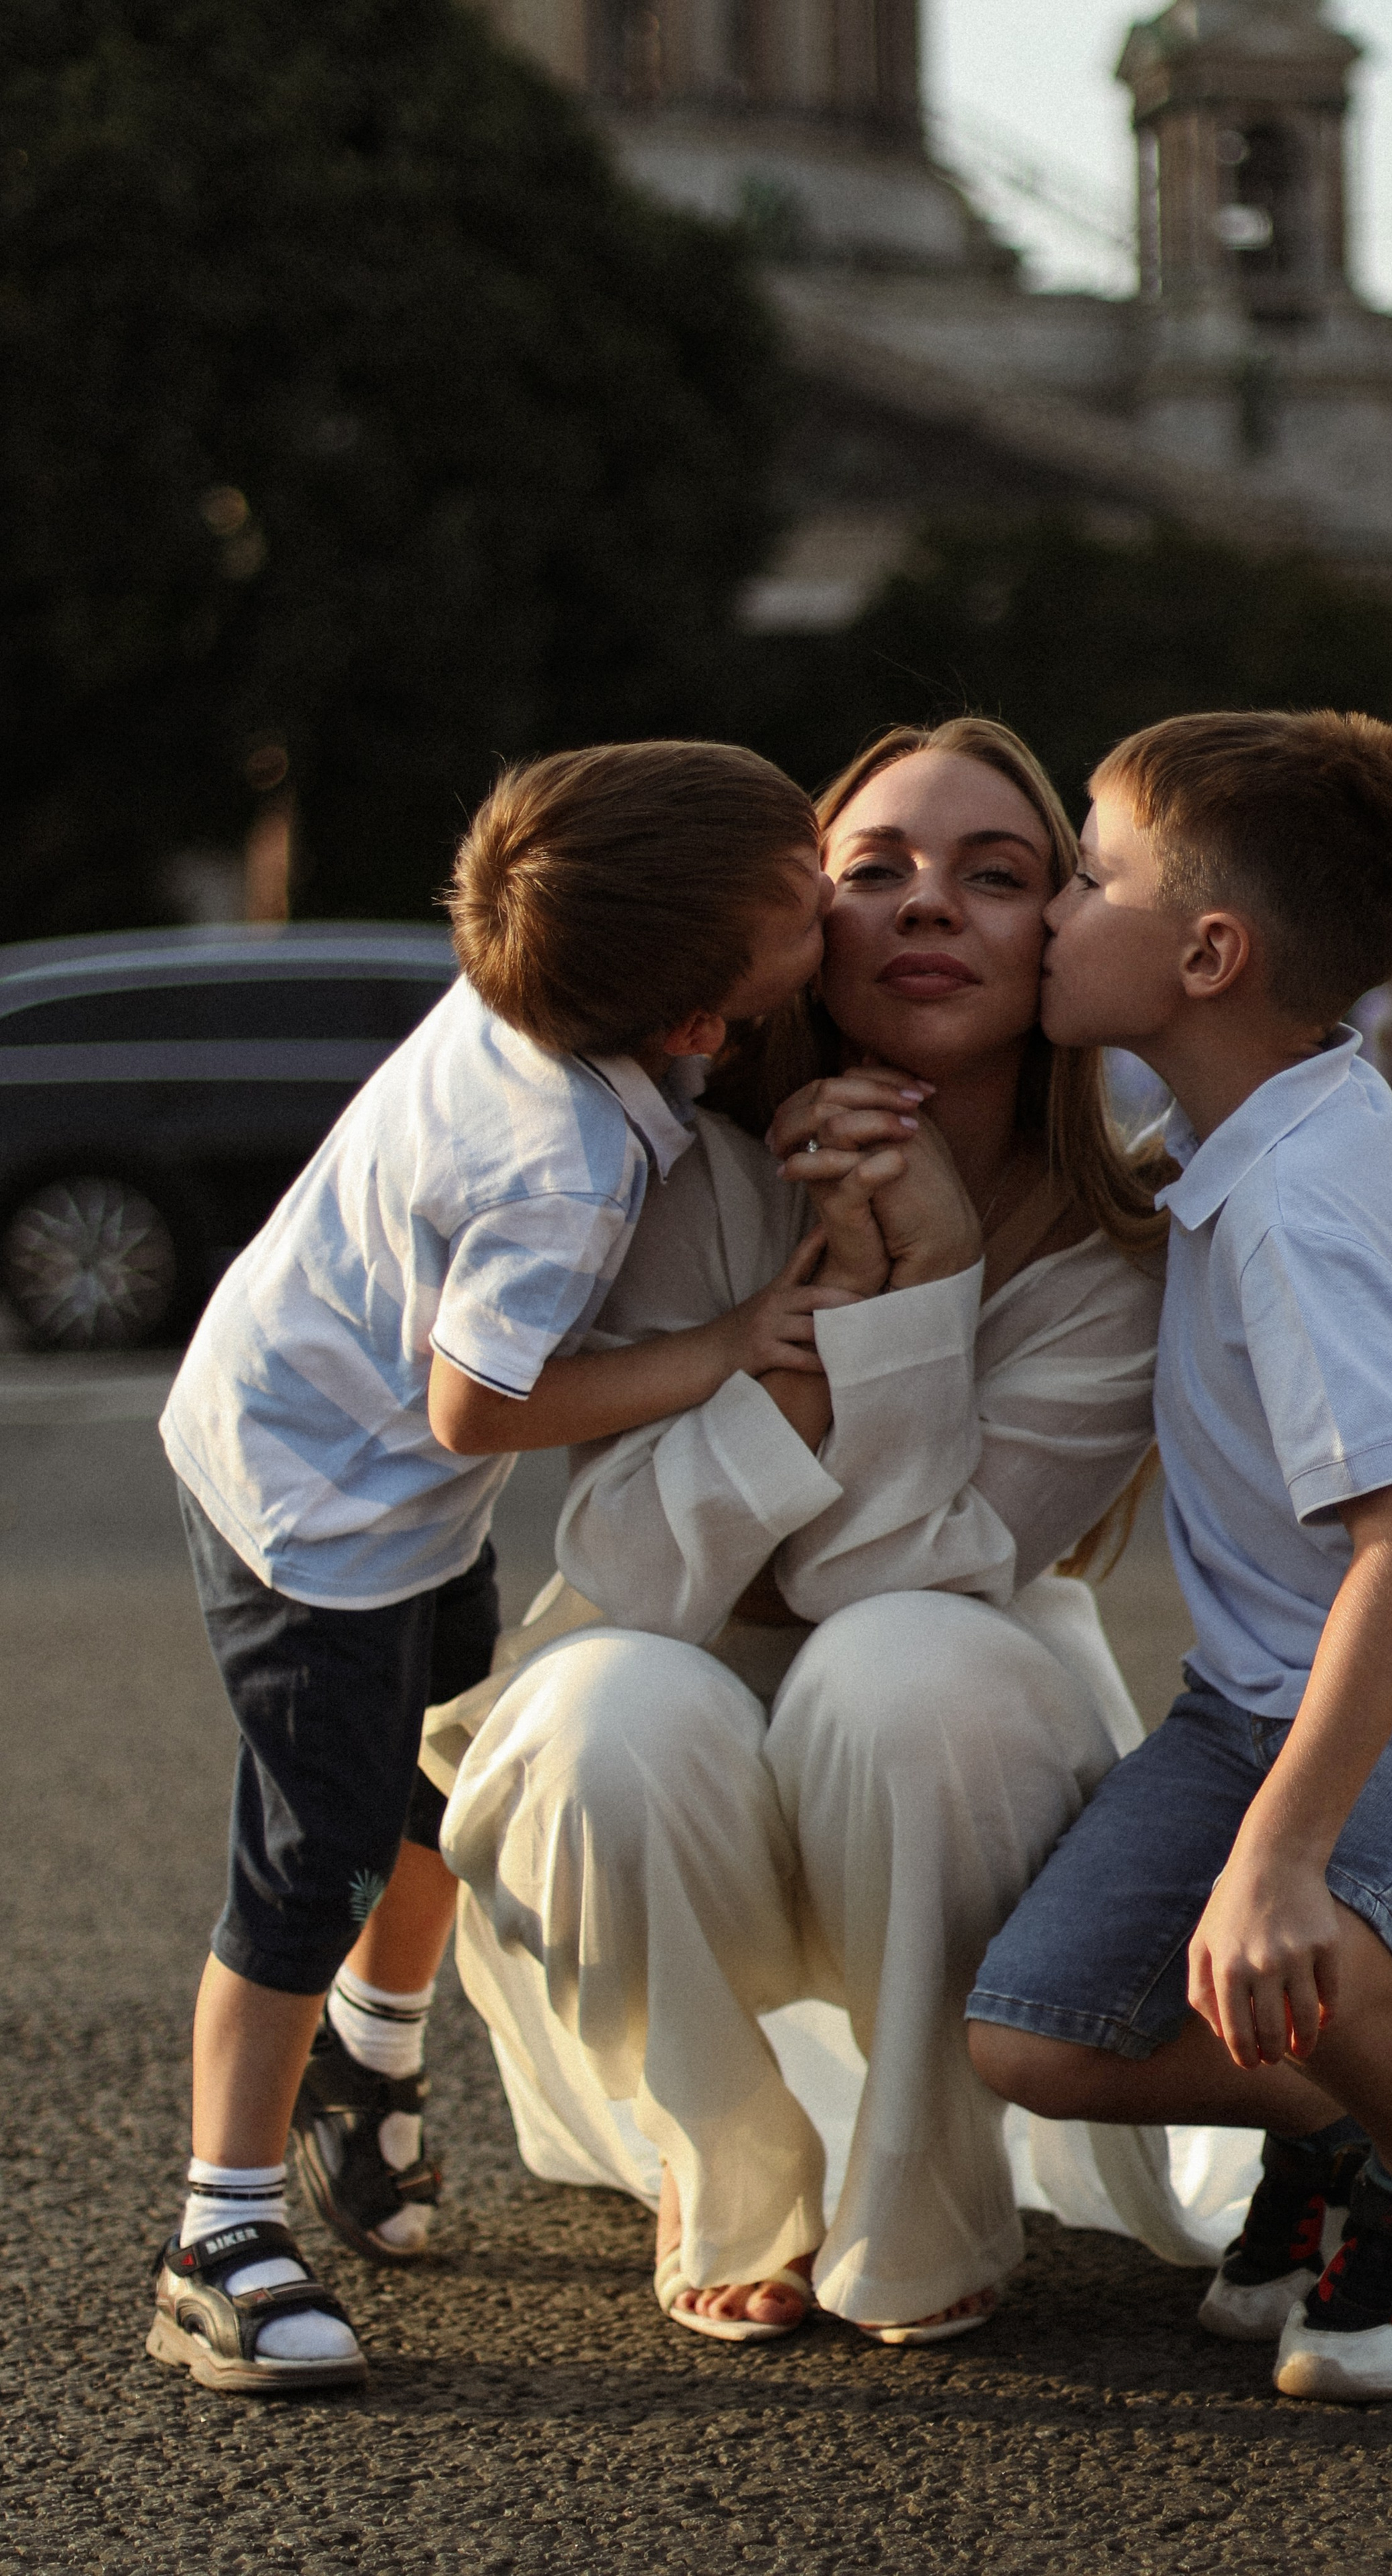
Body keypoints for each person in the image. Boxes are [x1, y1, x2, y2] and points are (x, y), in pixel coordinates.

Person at [429, 716, 1225, 2350]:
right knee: (597, 1705)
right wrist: (797, 1344)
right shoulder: (680, 1177)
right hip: (686, 1788)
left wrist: (921, 1284)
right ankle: (722, 2166)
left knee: (901, 1660)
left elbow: (891, 1581)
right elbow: (639, 1581)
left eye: (996, 875)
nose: (928, 904)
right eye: (874, 872)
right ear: (795, 930)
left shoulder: (1114, 1263)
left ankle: (922, 2188)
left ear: (1059, 935)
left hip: (953, 1771)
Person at [147, 741, 832, 2396]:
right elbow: (476, 1403)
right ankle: (217, 2231)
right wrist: (729, 1343)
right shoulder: (564, 1162)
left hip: (339, 1455)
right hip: (319, 1508)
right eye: (805, 906)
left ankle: (367, 2083)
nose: (835, 905)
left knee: (434, 1779)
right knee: (310, 1860)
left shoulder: (537, 988)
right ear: (691, 1020)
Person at [967, 710, 1392, 2404]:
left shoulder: (1303, 1205)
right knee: (1028, 2031)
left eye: (1081, 875)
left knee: (1303, 1944)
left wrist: (1279, 1854)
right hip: (1259, 1693)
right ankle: (1335, 2130)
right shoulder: (1260, 1130)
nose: (1044, 913)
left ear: (1205, 951)